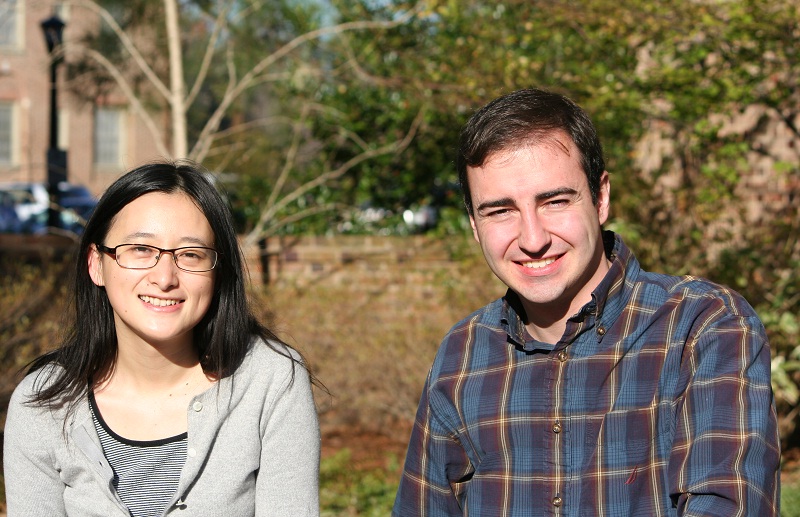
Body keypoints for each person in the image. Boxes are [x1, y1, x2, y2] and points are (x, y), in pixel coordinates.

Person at [393, 88, 780, 516]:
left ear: (600, 198)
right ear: (474, 224)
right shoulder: (462, 354)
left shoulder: (702, 328)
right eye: (500, 211)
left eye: (555, 201)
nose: (533, 239)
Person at [4, 161, 321, 516]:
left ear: (217, 272)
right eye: (141, 249)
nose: (165, 277)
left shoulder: (269, 381)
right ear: (96, 264)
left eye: (190, 255)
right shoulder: (43, 406)